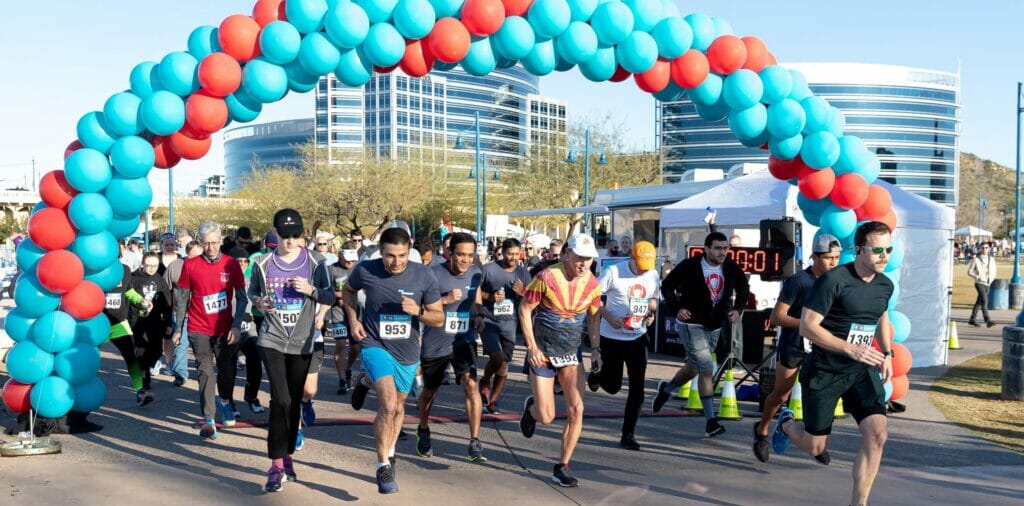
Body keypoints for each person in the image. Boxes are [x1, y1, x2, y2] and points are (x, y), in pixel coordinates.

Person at [772, 222, 895, 506]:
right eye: (877, 249)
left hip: (861, 369)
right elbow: (807, 326)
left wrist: (887, 353)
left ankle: (858, 503)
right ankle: (789, 425)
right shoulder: (834, 279)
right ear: (859, 249)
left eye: (888, 249)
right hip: (825, 369)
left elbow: (881, 318)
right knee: (816, 445)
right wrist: (850, 348)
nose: (884, 256)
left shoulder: (885, 285)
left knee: (877, 434)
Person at [343, 227, 443, 494]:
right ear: (381, 252)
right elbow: (348, 290)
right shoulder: (366, 269)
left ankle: (390, 447)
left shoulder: (423, 274)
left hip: (407, 351)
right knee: (387, 404)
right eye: (390, 256)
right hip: (375, 344)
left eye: (401, 255)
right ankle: (382, 465)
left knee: (398, 406)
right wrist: (354, 321)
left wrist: (419, 311)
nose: (396, 262)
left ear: (409, 250)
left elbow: (439, 317)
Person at [248, 209, 335, 492]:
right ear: (274, 233)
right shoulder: (262, 263)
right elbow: (252, 292)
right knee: (281, 400)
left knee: (294, 401)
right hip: (271, 339)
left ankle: (287, 457)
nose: (290, 241)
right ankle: (274, 465)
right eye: (284, 236)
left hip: (302, 342)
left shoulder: (316, 263)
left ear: (302, 234)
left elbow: (330, 296)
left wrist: (311, 290)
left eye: (295, 235)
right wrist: (259, 302)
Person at [518, 233, 602, 488]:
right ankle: (532, 410)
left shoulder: (594, 284)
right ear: (568, 254)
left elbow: (594, 317)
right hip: (543, 353)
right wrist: (531, 346)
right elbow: (524, 309)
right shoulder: (546, 277)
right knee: (546, 416)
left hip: (571, 354)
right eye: (579, 258)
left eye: (588, 259)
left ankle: (562, 466)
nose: (583, 264)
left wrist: (596, 349)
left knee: (577, 409)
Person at [752, 234, 841, 463]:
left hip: (821, 348)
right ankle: (762, 429)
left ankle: (817, 440)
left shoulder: (837, 281)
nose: (834, 263)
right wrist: (806, 325)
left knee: (821, 396)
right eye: (829, 258)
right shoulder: (799, 281)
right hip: (794, 346)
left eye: (837, 258)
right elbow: (776, 317)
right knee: (781, 394)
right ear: (815, 257)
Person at [652, 231, 750, 438]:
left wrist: (738, 309)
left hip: (715, 324)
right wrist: (677, 307)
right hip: (691, 323)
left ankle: (667, 389)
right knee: (706, 368)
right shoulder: (690, 266)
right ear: (706, 249)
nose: (722, 252)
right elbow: (667, 286)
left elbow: (744, 288)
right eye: (717, 248)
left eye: (725, 248)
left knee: (695, 367)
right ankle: (710, 421)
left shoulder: (731, 267)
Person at [172, 221, 248, 440]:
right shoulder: (191, 265)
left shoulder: (231, 264)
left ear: (221, 240)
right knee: (205, 371)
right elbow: (183, 298)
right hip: (198, 327)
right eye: (206, 244)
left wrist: (236, 324)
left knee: (226, 371)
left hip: (224, 328)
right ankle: (208, 420)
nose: (211, 248)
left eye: (214, 243)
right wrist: (179, 328)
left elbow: (242, 298)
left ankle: (224, 400)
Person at [415, 232, 487, 462]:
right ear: (449, 253)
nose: (465, 260)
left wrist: (479, 316)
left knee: (471, 385)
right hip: (435, 343)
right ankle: (423, 428)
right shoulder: (432, 274)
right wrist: (444, 301)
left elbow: (476, 302)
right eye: (460, 255)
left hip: (463, 340)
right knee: (430, 392)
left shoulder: (476, 273)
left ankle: (475, 441)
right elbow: (417, 306)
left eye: (469, 255)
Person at [587, 241, 661, 451]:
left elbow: (654, 298)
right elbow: (593, 297)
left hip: (637, 337)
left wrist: (650, 312)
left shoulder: (653, 275)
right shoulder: (613, 272)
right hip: (611, 337)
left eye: (647, 265)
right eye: (640, 264)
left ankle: (628, 434)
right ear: (632, 258)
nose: (643, 269)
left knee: (637, 389)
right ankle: (597, 375)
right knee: (613, 387)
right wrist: (608, 315)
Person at [476, 238, 531, 414]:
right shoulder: (488, 269)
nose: (513, 257)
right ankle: (485, 380)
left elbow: (528, 301)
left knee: (504, 365)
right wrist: (490, 297)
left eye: (516, 254)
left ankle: (493, 401)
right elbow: (476, 292)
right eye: (509, 254)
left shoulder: (523, 273)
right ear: (502, 252)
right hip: (489, 321)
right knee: (497, 357)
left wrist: (521, 293)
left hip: (510, 323)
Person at [227, 247, 267, 416]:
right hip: (229, 328)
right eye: (239, 261)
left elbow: (260, 302)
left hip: (249, 327)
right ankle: (227, 401)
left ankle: (251, 396)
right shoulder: (225, 281)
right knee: (229, 367)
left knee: (256, 361)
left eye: (245, 261)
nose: (242, 264)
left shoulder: (251, 280)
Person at [130, 252, 174, 396]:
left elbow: (167, 302)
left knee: (157, 350)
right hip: (138, 321)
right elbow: (128, 299)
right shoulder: (134, 278)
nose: (151, 269)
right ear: (142, 264)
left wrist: (168, 322)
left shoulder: (160, 280)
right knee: (141, 350)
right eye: (148, 265)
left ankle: (142, 368)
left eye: (154, 265)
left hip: (154, 321)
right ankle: (145, 384)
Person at [164, 240, 201, 387]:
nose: (195, 260)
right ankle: (180, 373)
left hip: (201, 314)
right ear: (186, 254)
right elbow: (165, 289)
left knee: (202, 345)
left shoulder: (207, 266)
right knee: (180, 343)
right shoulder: (175, 267)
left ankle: (203, 372)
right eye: (192, 257)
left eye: (199, 256)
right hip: (180, 313)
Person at [329, 242, 360, 395]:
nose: (350, 262)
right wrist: (339, 295)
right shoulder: (332, 269)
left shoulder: (359, 269)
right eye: (347, 258)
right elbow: (325, 291)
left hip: (356, 314)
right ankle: (342, 380)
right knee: (341, 344)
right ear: (340, 255)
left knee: (356, 348)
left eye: (352, 259)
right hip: (338, 313)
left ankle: (347, 368)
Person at [967, 243, 998, 328]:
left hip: (988, 283)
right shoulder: (976, 259)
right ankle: (988, 320)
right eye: (983, 248)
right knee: (984, 300)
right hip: (979, 283)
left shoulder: (991, 259)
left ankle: (972, 319)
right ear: (980, 249)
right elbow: (969, 271)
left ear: (989, 249)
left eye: (986, 247)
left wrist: (991, 280)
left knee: (979, 302)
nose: (985, 249)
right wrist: (977, 276)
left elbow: (994, 271)